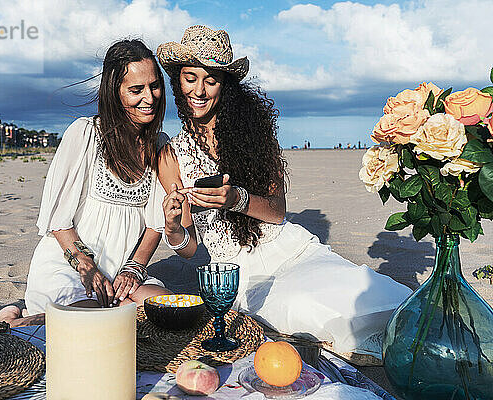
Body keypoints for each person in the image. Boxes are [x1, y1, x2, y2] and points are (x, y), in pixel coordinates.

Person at [156, 25, 412, 358]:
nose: (200, 91)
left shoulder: (255, 134)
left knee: (372, 291)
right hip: (240, 274)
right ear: (178, 81)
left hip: (291, 249)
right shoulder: (171, 156)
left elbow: (277, 211)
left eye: (212, 80)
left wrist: (237, 199)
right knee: (301, 306)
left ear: (226, 87)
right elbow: (189, 250)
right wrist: (174, 227)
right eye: (191, 78)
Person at [0, 39, 172, 328]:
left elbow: (155, 225)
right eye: (136, 89)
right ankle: (11, 321)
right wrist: (87, 266)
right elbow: (58, 221)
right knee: (91, 325)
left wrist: (134, 268)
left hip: (123, 269)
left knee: (168, 310)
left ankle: (24, 318)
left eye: (155, 85)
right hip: (71, 264)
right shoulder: (85, 135)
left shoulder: (160, 145)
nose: (150, 97)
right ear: (115, 92)